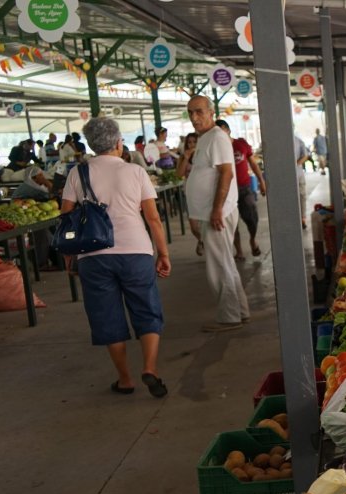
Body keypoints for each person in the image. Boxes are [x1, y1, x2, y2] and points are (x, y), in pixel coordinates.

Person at [62, 117, 171, 398]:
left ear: (91, 145)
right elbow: (153, 218)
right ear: (118, 143)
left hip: (93, 255)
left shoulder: (78, 173)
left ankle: (125, 379)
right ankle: (150, 368)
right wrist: (163, 253)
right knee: (146, 309)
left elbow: (66, 216)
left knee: (107, 316)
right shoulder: (135, 171)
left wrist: (69, 255)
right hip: (136, 251)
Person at [185, 95, 248, 333]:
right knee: (225, 263)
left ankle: (229, 317)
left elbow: (226, 174)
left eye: (199, 111)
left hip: (217, 213)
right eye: (190, 112)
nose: (194, 117)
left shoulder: (217, 138)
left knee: (218, 267)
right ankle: (240, 312)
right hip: (212, 212)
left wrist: (216, 209)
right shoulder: (205, 139)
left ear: (211, 112)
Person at [217, 119, 267, 259]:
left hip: (244, 187)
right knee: (232, 223)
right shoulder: (217, 150)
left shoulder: (241, 144)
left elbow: (253, 164)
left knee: (252, 217)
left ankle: (252, 239)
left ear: (228, 130)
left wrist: (261, 181)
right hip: (226, 190)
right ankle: (238, 250)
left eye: (223, 132)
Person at [294, 135, 310, 228]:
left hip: (298, 173)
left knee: (301, 195)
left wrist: (296, 163)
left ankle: (302, 219)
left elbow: (305, 156)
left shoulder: (298, 140)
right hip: (287, 175)